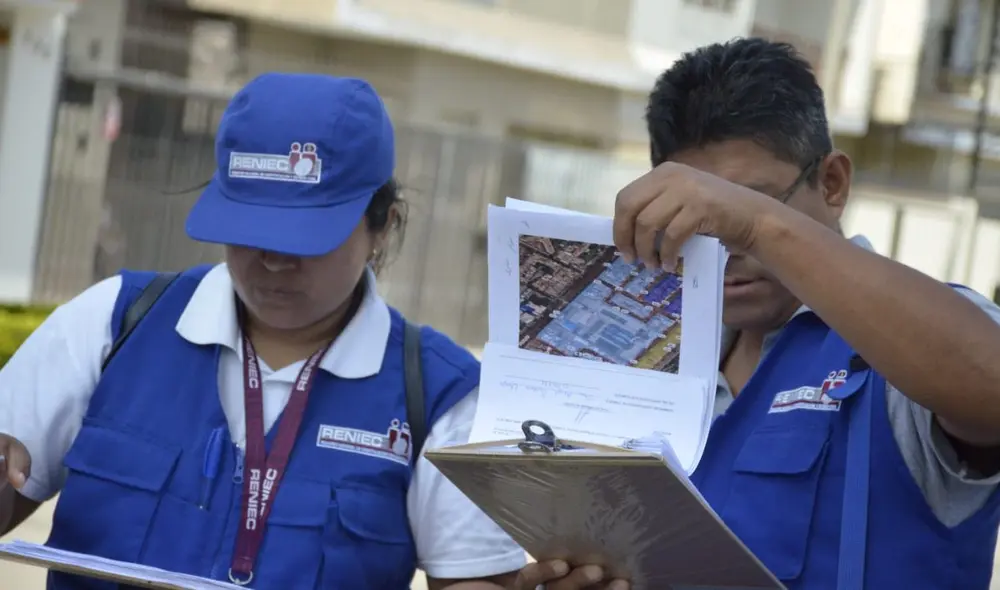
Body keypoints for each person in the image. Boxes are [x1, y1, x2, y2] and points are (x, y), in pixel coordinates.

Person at [0, 73, 527, 589]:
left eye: (305, 237)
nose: (273, 259)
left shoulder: (440, 398)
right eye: (250, 230)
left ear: (381, 226)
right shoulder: (113, 325)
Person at [517, 38, 1000, 590]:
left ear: (833, 183)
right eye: (696, 218)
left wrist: (759, 226)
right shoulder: (646, 361)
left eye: (749, 204)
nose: (722, 243)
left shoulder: (910, 341)